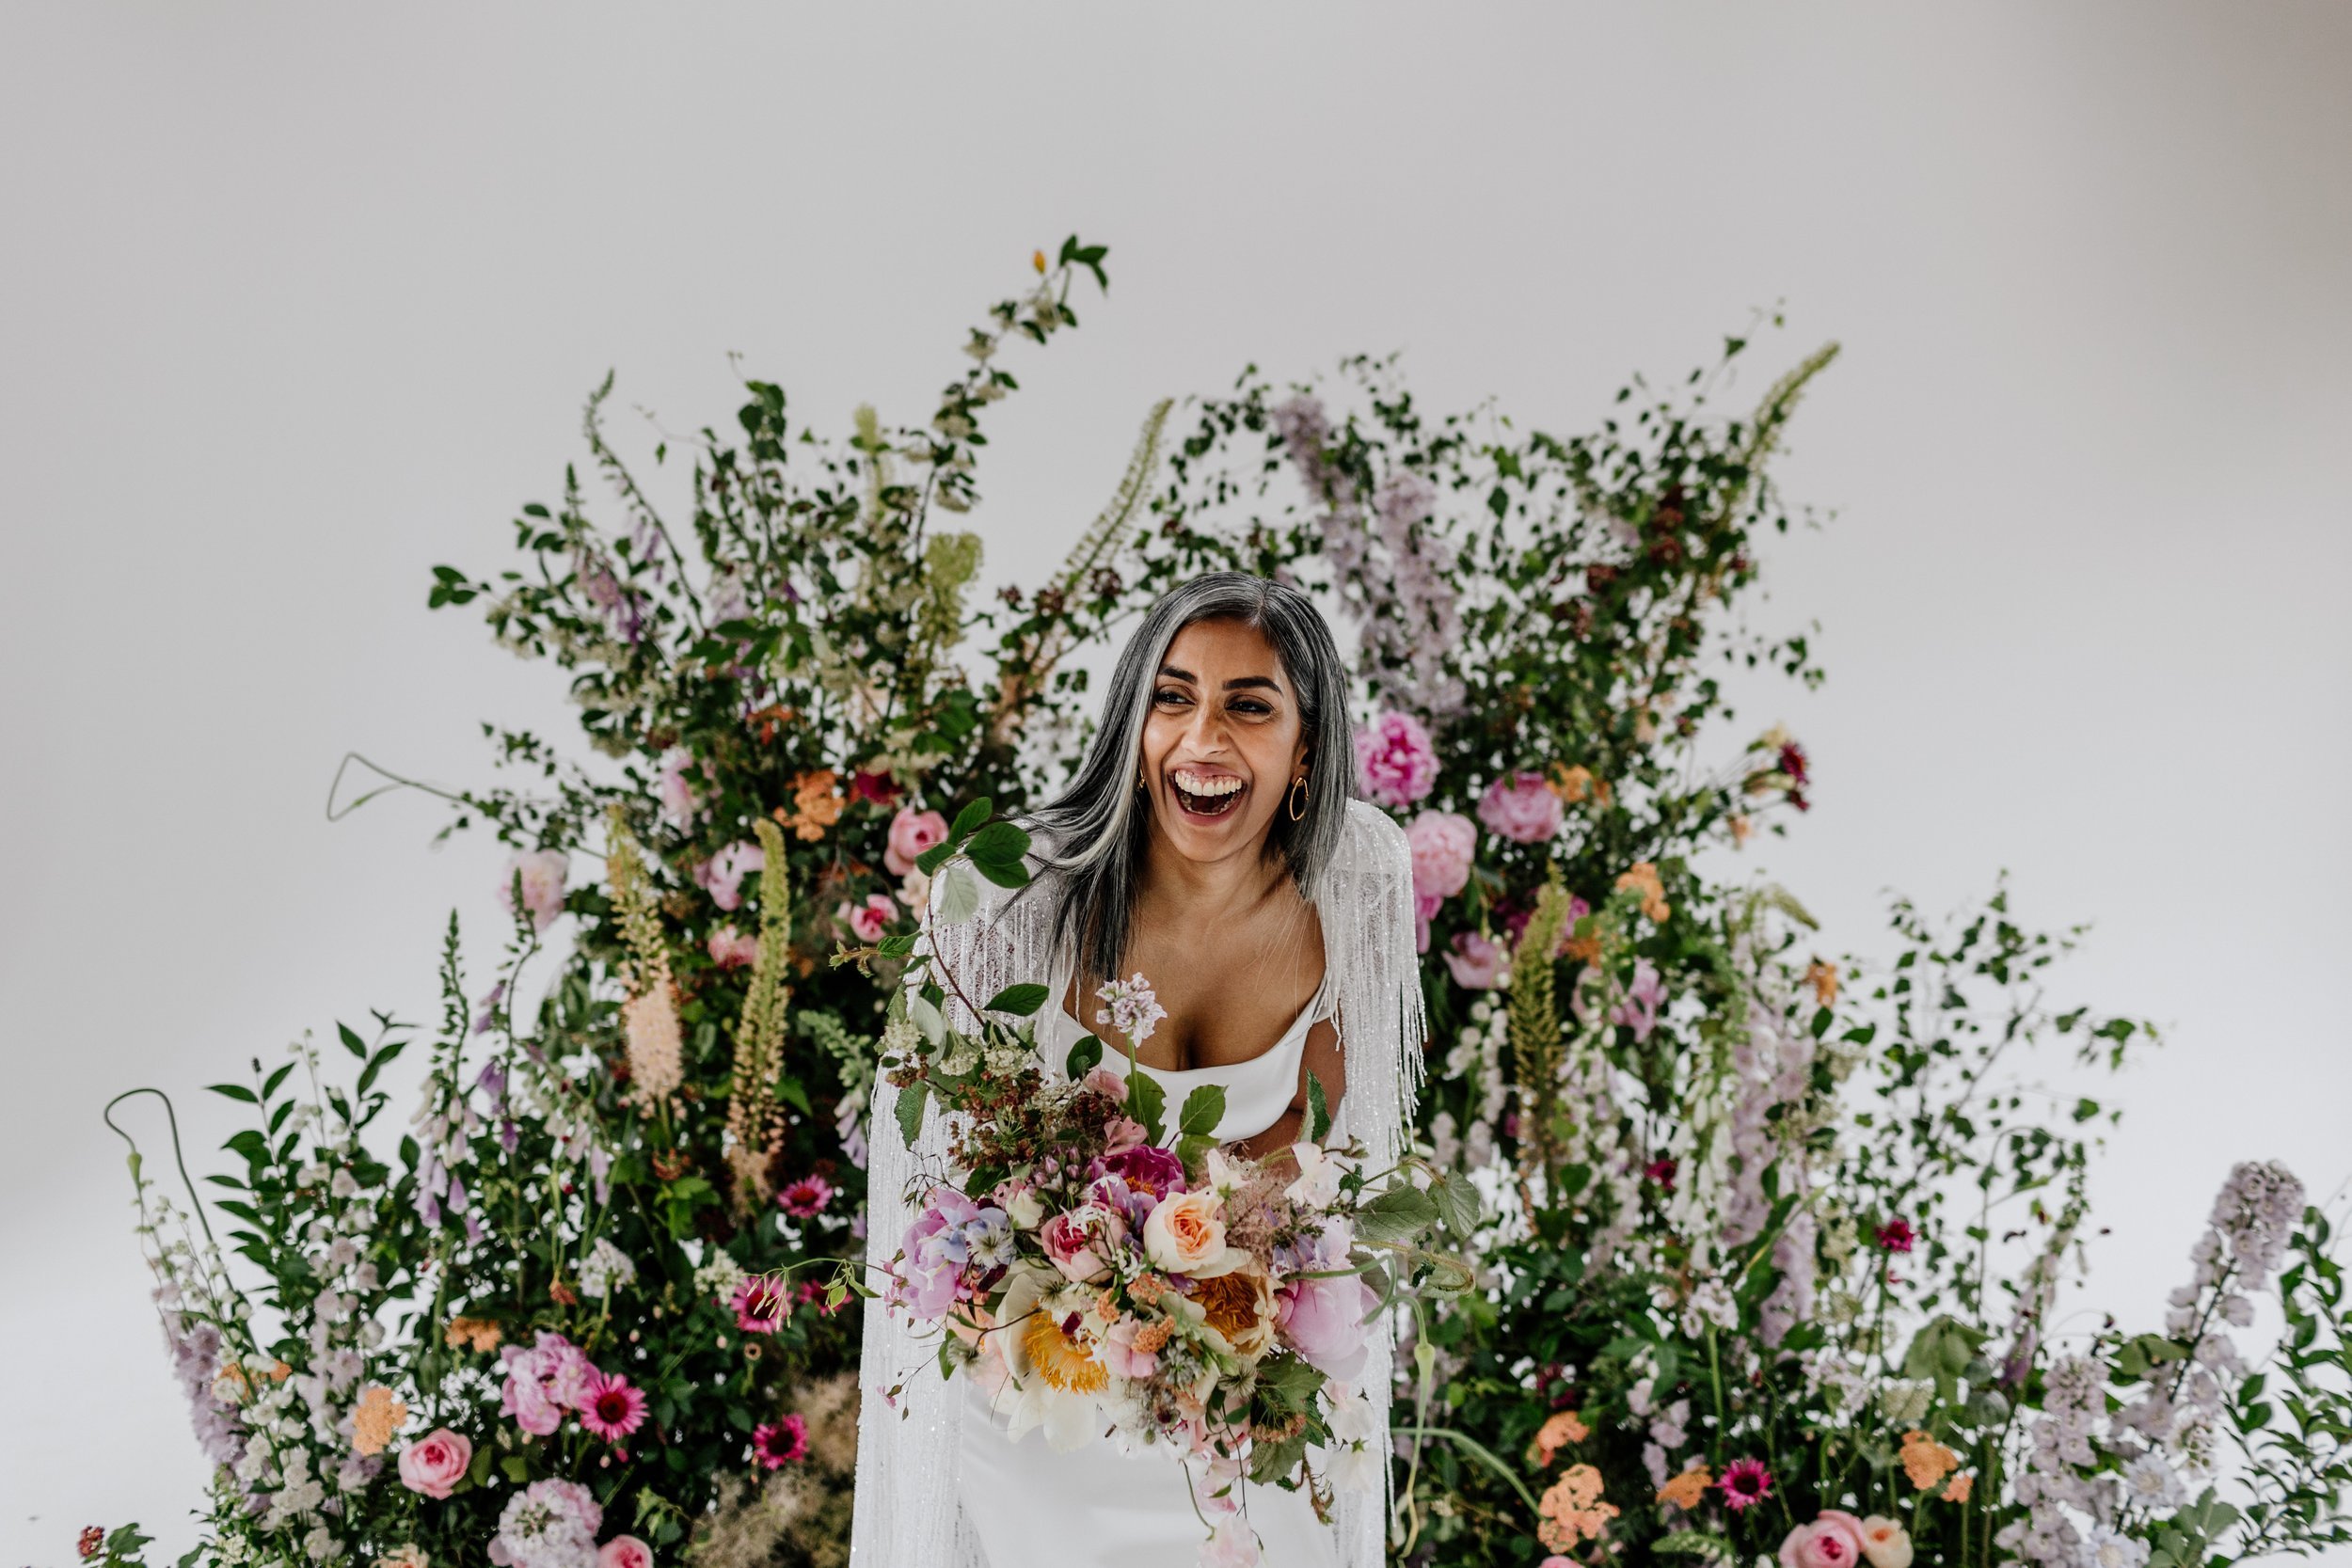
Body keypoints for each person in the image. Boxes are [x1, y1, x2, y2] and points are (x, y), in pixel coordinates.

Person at [848, 572, 1426, 1568]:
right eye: (1171, 696)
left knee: (1288, 1521)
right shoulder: (1008, 894)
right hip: (1045, 1379)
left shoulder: (1356, 880)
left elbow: (1327, 1160)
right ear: (1130, 724)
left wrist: (1206, 1311)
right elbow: (935, 1187)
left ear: (1307, 750)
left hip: (1239, 1386)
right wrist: (1092, 1288)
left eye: (1248, 705)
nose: (1202, 739)